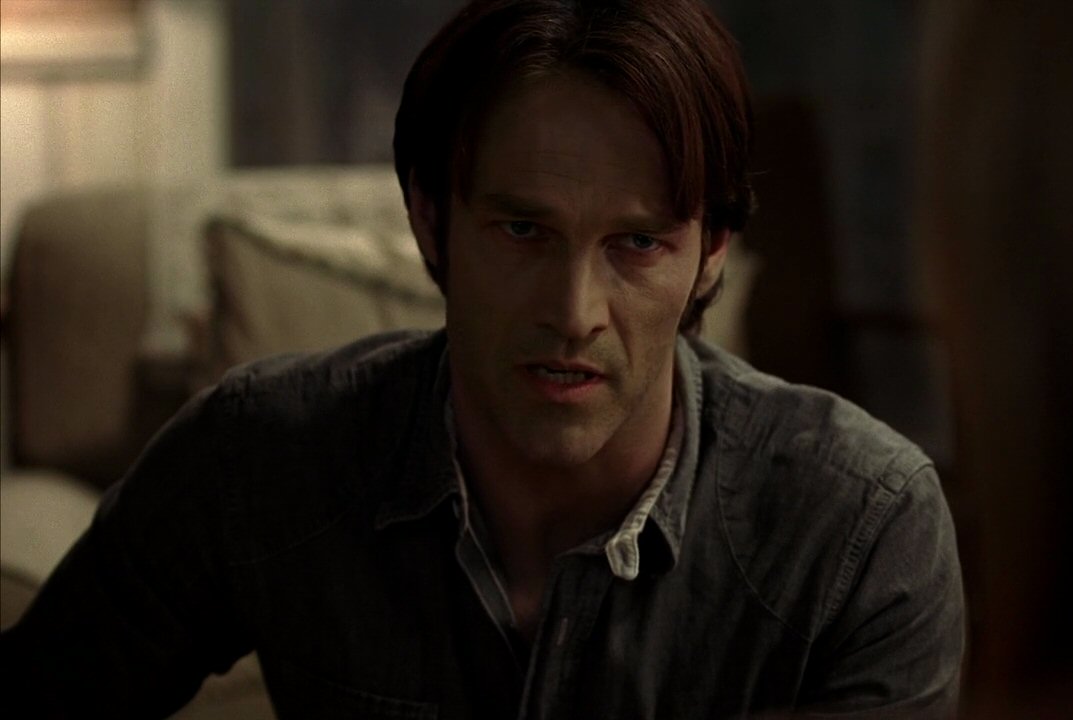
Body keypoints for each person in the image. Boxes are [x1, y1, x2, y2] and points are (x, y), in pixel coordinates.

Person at [2, 0, 964, 717]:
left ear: (711, 251)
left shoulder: (855, 528)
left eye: (637, 243)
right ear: (431, 222)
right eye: (522, 230)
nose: (574, 314)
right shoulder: (261, 455)